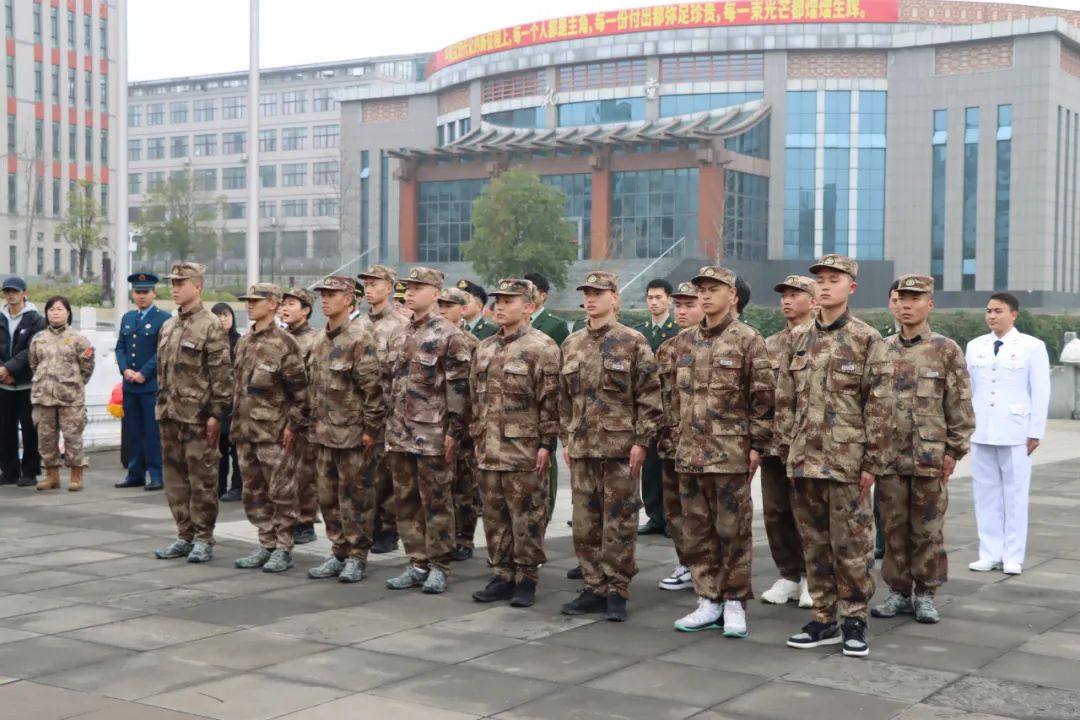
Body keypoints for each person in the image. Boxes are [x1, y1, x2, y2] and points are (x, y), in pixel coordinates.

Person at [775, 254, 893, 658]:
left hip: (847, 462)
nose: (825, 286)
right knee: (814, 544)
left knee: (853, 545)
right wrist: (787, 450)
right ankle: (823, 617)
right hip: (804, 460)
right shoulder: (798, 339)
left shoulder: (867, 339)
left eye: (834, 279)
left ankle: (855, 619)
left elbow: (879, 405)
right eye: (820, 279)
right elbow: (785, 399)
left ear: (851, 288)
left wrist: (872, 462)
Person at [664, 267, 772, 638]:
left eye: (714, 289)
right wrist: (674, 437)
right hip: (690, 454)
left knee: (733, 531)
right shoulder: (683, 342)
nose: (706, 296)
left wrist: (757, 446)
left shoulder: (748, 339)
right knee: (696, 531)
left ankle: (735, 601)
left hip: (730, 453)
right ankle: (708, 598)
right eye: (702, 290)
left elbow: (763, 399)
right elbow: (671, 397)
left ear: (733, 296)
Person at [559, 271, 662, 622]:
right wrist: (566, 438)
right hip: (583, 448)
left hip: (620, 449)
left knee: (619, 522)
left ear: (614, 297)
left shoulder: (632, 341)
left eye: (598, 293)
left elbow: (650, 397)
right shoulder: (571, 344)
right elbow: (564, 399)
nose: (591, 299)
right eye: (587, 293)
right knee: (585, 523)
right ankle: (593, 587)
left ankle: (617, 589)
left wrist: (642, 442)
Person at [871, 275, 974, 624]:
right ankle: (898, 592)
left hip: (929, 457)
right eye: (901, 298)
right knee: (893, 529)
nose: (907, 305)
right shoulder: (881, 348)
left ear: (929, 304)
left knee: (928, 530)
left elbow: (960, 404)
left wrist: (954, 450)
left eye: (915, 299)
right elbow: (868, 403)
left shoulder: (946, 349)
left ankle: (926, 594)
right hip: (889, 458)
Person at [469, 278, 560, 607]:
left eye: (510, 301)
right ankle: (502, 574)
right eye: (499, 300)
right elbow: (475, 398)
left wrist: (546, 445)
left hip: (524, 451)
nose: (501, 306)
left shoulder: (543, 347)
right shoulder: (485, 347)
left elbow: (551, 402)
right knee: (494, 516)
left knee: (527, 517)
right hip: (489, 449)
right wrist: (476, 435)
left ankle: (526, 577)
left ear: (529, 307)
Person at [384, 267, 472, 594]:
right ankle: (416, 561)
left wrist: (454, 432)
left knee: (436, 501)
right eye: (408, 287)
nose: (411, 292)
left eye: (418, 287)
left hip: (433, 434)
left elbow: (459, 388)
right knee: (405, 501)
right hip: (399, 432)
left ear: (435, 293)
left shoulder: (449, 335)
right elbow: (387, 383)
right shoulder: (398, 334)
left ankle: (439, 565)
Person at [305, 275, 385, 583]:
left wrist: (371, 430)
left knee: (356, 498)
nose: (325, 299)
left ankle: (357, 555)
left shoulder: (360, 338)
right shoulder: (319, 339)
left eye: (332, 294)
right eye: (323, 294)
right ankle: (338, 551)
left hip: (353, 436)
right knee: (327, 499)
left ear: (349, 300)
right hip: (324, 434)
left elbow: (372, 390)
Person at [154, 263, 234, 564]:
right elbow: (162, 372)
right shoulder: (169, 326)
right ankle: (184, 534)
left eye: (181, 283)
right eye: (173, 283)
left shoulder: (210, 325)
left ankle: (203, 537)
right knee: (175, 481)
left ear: (197, 286)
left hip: (198, 418)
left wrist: (216, 414)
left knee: (203, 480)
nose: (174, 288)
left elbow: (221, 375)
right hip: (170, 414)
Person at [965, 292, 1050, 576]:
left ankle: (1013, 555)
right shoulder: (975, 346)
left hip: (1016, 430)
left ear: (1013, 314)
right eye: (988, 311)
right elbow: (969, 389)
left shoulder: (1031, 346)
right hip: (982, 429)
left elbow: (1040, 390)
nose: (991, 316)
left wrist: (1035, 430)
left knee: (1014, 496)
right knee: (985, 494)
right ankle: (989, 553)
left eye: (998, 311)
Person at [230, 284, 311, 574]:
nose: (250, 305)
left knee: (281, 492)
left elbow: (301, 392)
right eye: (248, 300)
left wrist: (293, 426)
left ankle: (283, 547)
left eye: (256, 300)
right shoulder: (244, 341)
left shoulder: (284, 342)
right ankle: (266, 542)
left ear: (273, 304)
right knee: (253, 491)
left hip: (274, 433)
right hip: (245, 431)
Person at [759, 275, 816, 608]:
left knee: (806, 514)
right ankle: (789, 575)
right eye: (784, 295)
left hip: (808, 446)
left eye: (795, 294)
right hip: (773, 444)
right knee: (776, 512)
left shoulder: (821, 341)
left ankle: (812, 577)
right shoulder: (770, 344)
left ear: (813, 300)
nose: (787, 300)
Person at [357, 264, 410, 555]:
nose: (369, 289)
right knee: (363, 475)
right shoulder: (358, 325)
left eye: (375, 283)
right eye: (366, 284)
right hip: (361, 412)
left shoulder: (400, 325)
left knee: (386, 477)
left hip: (389, 414)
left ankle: (388, 530)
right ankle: (368, 527)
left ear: (389, 287)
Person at [655, 282, 704, 592]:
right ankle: (686, 562)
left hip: (705, 447)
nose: (682, 311)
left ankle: (706, 567)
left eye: (690, 304)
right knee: (675, 510)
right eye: (679, 305)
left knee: (702, 512)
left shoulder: (715, 345)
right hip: (672, 443)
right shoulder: (667, 348)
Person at [29, 296, 95, 492]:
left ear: (68, 313)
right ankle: (52, 476)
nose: (55, 313)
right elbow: (34, 364)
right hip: (43, 396)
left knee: (72, 436)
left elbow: (87, 367)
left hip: (70, 397)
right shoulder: (39, 338)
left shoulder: (79, 339)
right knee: (46, 437)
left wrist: (73, 383)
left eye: (59, 309)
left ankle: (76, 475)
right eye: (51, 309)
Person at [115, 272, 170, 491]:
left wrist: (144, 373)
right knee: (133, 431)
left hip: (150, 386)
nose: (142, 296)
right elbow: (121, 347)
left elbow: (161, 351)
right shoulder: (128, 318)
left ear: (154, 293)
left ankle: (156, 474)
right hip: (130, 385)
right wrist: (125, 369)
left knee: (152, 432)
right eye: (138, 292)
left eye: (146, 292)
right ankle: (135, 473)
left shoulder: (163, 318)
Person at [438, 287, 482, 561]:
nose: (443, 310)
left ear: (463, 310)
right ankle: (443, 537)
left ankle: (464, 538)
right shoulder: (430, 339)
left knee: (464, 487)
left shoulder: (472, 343)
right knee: (439, 486)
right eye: (440, 304)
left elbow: (474, 389)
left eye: (449, 305)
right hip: (434, 423)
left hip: (463, 426)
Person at [524, 271, 569, 522]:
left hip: (546, 396)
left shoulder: (555, 325)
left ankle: (547, 508)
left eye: (531, 291)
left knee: (546, 457)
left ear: (542, 296)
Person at [636, 278, 678, 537]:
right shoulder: (640, 333)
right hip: (648, 407)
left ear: (669, 300)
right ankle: (654, 516)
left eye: (659, 297)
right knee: (650, 466)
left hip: (670, 405)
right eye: (650, 298)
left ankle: (671, 517)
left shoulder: (677, 331)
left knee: (670, 466)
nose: (653, 302)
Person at [279, 287, 321, 545]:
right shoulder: (280, 337)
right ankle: (287, 518)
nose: (285, 308)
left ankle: (306, 521)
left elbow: (311, 384)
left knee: (305, 473)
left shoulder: (314, 340)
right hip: (278, 416)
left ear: (306, 310)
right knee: (284, 472)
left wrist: (299, 417)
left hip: (304, 418)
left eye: (291, 304)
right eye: (283, 303)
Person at [0, 276, 45, 487]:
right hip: (3, 384)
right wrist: (2, 370)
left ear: (24, 293)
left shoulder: (36, 320)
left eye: (15, 291)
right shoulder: (1, 318)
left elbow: (32, 350)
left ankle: (29, 471)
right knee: (5, 429)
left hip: (27, 383)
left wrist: (9, 368)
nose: (11, 295)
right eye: (7, 291)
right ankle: (9, 471)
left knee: (30, 429)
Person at [873, 279, 902, 558]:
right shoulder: (879, 340)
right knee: (881, 497)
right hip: (884, 434)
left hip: (916, 436)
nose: (900, 305)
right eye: (895, 299)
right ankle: (881, 543)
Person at [211, 302, 243, 502]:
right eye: (218, 315)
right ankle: (219, 486)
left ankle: (237, 487)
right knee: (218, 448)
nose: (222, 319)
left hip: (236, 403)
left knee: (236, 449)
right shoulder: (210, 342)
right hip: (216, 403)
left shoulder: (240, 342)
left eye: (226, 315)